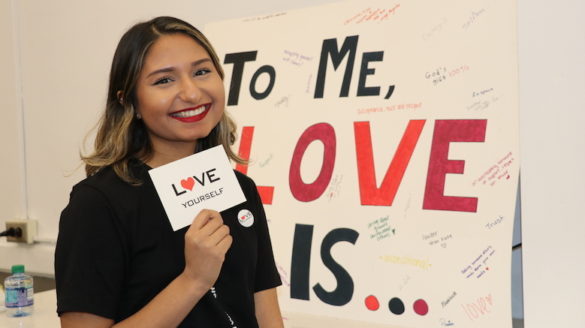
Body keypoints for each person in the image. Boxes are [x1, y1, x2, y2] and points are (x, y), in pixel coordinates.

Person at [54, 16, 283, 328]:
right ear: (129, 101)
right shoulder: (98, 204)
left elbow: (265, 314)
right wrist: (194, 280)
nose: (190, 93)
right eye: (164, 80)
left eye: (202, 72)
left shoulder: (240, 188)